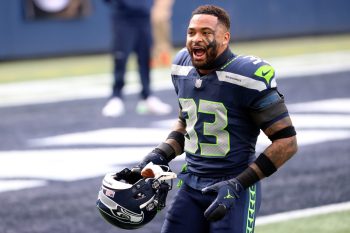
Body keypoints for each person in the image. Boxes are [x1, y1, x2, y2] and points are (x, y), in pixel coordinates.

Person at [123, 5, 298, 233]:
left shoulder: (246, 77)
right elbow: (187, 122)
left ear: (225, 38)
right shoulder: (182, 67)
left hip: (234, 186)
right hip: (192, 182)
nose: (196, 39)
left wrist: (238, 184)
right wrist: (160, 155)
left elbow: (287, 142)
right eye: (191, 32)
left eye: (206, 33)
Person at [102, 0, 172, 117]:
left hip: (144, 17)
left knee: (145, 58)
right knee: (121, 58)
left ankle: (147, 96)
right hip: (123, 18)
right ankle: (116, 97)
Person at [151, 0, 174, 68]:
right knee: (154, 39)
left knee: (164, 39)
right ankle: (155, 58)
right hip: (153, 18)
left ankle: (165, 58)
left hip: (163, 17)